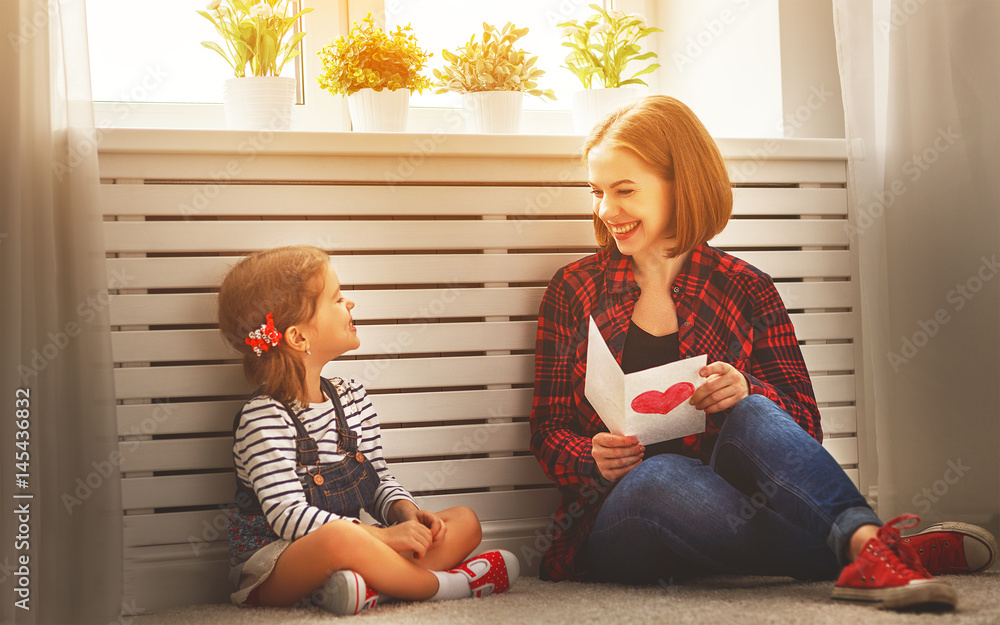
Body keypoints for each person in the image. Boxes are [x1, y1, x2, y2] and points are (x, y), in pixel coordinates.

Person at [529, 96, 997, 610]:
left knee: (752, 407)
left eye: (624, 191)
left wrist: (748, 390)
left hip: (727, 504)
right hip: (618, 517)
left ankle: (867, 547)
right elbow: (548, 429)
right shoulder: (573, 289)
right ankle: (895, 551)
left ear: (679, 185)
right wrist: (591, 457)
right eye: (597, 192)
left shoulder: (746, 288)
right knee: (659, 476)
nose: (605, 211)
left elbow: (804, 427)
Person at [217, 246, 519, 615]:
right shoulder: (263, 418)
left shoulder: (352, 397)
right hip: (277, 565)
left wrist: (403, 514)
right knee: (341, 537)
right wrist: (380, 536)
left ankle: (363, 590)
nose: (351, 304)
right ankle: (445, 587)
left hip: (354, 549)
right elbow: (288, 515)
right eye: (337, 298)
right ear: (297, 338)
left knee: (464, 522)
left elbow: (375, 480)